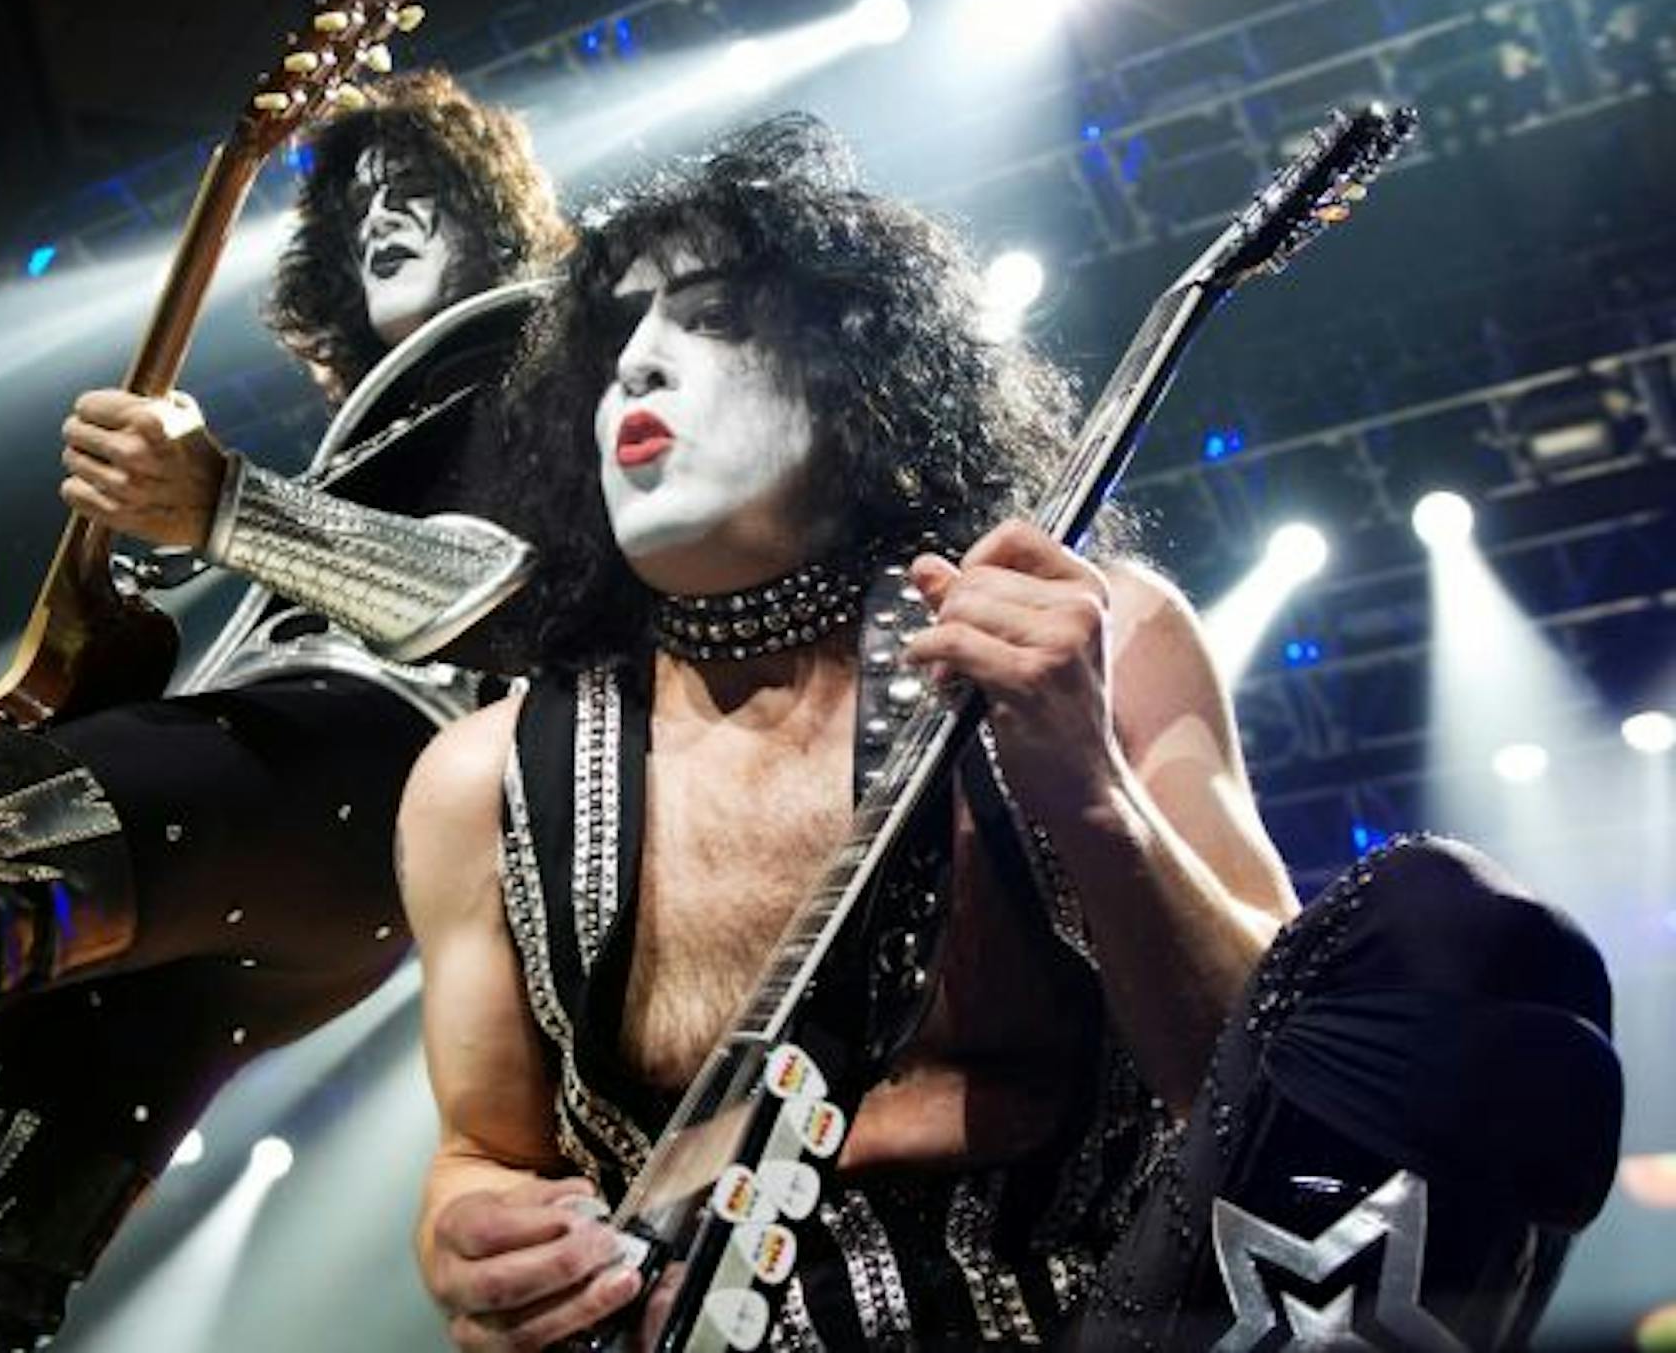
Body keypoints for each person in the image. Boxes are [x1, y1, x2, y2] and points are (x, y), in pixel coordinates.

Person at [397, 115, 1622, 1350]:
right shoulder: (482, 780)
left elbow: (1291, 1104)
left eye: (712, 318)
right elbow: (481, 1153)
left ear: (856, 372)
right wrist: (471, 1239)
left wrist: (1090, 787)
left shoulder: (1106, 631)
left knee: (1449, 931)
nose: (639, 366)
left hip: (1103, 1323)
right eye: (616, 339)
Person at [0, 69, 572, 1353]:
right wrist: (27, 763)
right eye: (358, 206)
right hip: (305, 856)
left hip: (365, 765)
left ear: (496, 208)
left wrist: (228, 505)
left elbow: (514, 600)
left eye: (416, 190)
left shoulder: (559, 343)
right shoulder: (373, 427)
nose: (381, 219)